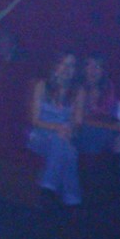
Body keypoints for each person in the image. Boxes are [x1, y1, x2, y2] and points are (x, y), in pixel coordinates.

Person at [28, 51, 86, 206]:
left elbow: (78, 122)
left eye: (71, 65)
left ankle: (48, 190)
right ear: (55, 65)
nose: (66, 69)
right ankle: (71, 199)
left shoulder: (78, 91)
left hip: (63, 136)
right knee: (67, 150)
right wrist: (57, 127)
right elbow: (35, 121)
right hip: (39, 135)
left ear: (75, 70)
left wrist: (70, 131)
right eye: (63, 64)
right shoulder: (42, 86)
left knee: (66, 149)